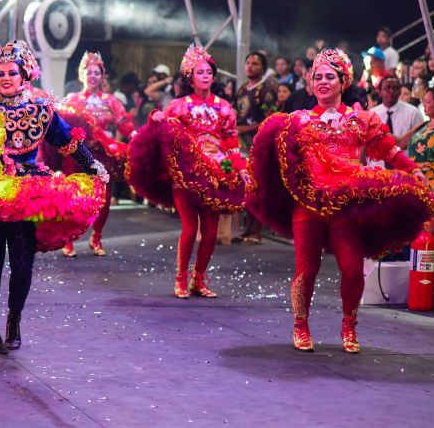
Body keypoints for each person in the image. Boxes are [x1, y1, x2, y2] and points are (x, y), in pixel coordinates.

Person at [248, 48, 434, 354]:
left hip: (345, 206)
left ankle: (349, 325)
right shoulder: (298, 120)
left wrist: (412, 170)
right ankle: (301, 324)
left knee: (351, 268)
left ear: (342, 81)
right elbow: (273, 156)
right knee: (306, 269)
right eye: (317, 77)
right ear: (311, 83)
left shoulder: (359, 119)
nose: (322, 82)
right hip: (308, 206)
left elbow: (389, 152)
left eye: (329, 77)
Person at [0, 40, 108, 353]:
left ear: (25, 75)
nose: (6, 78)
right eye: (0, 74)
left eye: (12, 72)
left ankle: (14, 319)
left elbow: (68, 141)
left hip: (28, 195)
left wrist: (94, 165)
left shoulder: (40, 112)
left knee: (23, 265)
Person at [130, 44, 249, 298]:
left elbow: (231, 141)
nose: (205, 76)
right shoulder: (178, 106)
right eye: (200, 72)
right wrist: (155, 119)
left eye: (209, 72)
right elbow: (163, 130)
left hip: (217, 172)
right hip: (186, 173)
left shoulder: (225, 107)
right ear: (189, 77)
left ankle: (199, 279)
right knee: (189, 228)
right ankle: (181, 278)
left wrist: (238, 168)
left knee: (211, 231)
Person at [61, 52, 134, 257]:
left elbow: (123, 123)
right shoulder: (72, 99)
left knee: (104, 198)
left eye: (97, 73)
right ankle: (69, 239)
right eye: (89, 72)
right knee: (74, 197)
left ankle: (97, 237)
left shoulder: (111, 101)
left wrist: (137, 136)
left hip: (103, 155)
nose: (93, 76)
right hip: (78, 154)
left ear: (102, 77)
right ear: (81, 74)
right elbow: (63, 126)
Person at [233, 52, 277, 245]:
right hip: (241, 143)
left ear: (263, 68)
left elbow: (271, 120)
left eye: (255, 63)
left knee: (257, 187)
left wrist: (246, 128)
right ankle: (246, 229)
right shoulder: (242, 89)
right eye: (248, 62)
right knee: (245, 187)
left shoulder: (266, 89)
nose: (250, 66)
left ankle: (256, 232)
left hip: (258, 144)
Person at [366, 76, 424, 168]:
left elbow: (420, 144)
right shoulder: (371, 114)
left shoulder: (413, 112)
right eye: (387, 88)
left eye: (395, 88)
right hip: (377, 170)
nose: (391, 91)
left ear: (400, 91)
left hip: (405, 170)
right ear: (380, 92)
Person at [406, 87, 434, 193]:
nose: (424, 104)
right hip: (415, 181)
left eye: (428, 102)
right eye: (423, 101)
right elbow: (402, 142)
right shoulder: (424, 125)